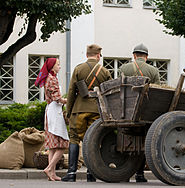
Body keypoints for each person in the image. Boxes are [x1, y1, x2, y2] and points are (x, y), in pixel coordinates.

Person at [62, 44, 112, 182]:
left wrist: (69, 111)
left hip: (79, 110)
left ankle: (71, 173)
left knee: (74, 139)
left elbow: (72, 91)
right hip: (96, 110)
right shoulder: (105, 71)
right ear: (98, 55)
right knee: (92, 141)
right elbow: (109, 93)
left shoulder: (79, 69)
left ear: (86, 55)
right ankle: (91, 173)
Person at [120, 43, 161, 182]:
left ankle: (125, 173)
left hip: (126, 111)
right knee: (144, 141)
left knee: (124, 140)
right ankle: (139, 174)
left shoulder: (124, 68)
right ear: (146, 57)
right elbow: (157, 91)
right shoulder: (153, 70)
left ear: (134, 55)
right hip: (145, 111)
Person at [35, 58, 69, 181]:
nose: (60, 66)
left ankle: (52, 174)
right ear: (52, 66)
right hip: (55, 113)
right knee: (62, 144)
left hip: (51, 111)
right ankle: (49, 168)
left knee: (53, 146)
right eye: (58, 64)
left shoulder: (49, 77)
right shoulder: (52, 79)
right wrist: (69, 100)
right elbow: (57, 98)